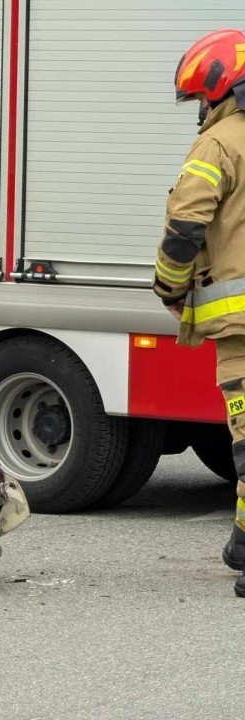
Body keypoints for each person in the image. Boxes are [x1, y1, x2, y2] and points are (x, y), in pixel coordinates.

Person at [151, 28, 245, 597]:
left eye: (204, 99)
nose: (202, 111)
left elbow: (186, 225)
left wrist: (168, 285)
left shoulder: (219, 144)